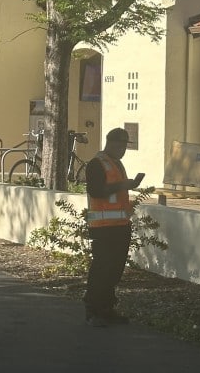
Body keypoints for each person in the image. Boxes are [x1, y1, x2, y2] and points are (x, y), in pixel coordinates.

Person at [83, 127, 144, 327]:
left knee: (114, 270)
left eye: (126, 146)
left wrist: (127, 185)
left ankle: (107, 308)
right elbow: (96, 190)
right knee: (103, 268)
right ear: (111, 143)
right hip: (103, 226)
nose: (124, 149)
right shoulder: (96, 164)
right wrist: (122, 185)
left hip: (119, 225)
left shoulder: (116, 164)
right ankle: (94, 309)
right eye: (121, 145)